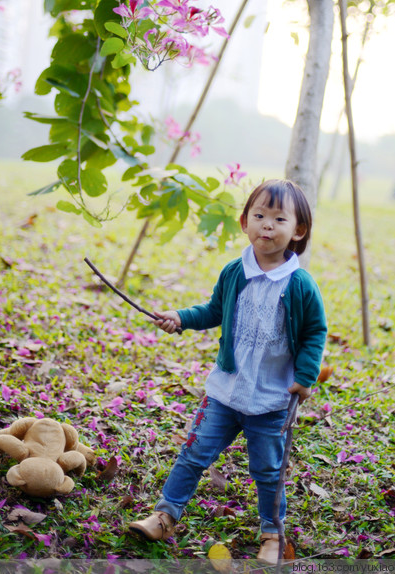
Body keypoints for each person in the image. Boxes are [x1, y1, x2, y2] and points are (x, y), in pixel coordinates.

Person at [128, 179, 327, 563]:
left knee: (268, 470)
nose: (267, 225)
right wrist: (181, 319)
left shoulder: (300, 284)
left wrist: (305, 377)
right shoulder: (235, 271)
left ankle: (272, 535)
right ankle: (165, 514)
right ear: (244, 222)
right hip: (225, 392)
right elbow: (214, 310)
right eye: (259, 215)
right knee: (193, 452)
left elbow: (314, 332)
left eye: (279, 218)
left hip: (271, 398)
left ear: (298, 231)